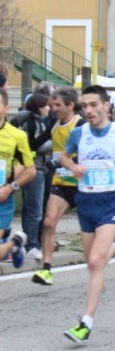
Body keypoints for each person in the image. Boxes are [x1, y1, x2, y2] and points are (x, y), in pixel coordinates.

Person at [60, 85, 115, 343]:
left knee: (95, 262)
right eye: (84, 106)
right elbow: (64, 157)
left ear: (106, 106)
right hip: (86, 202)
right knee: (92, 259)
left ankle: (85, 322)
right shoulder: (78, 134)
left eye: (93, 105)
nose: (88, 110)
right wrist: (73, 166)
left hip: (111, 202)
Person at [33, 86, 85, 286]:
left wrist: (64, 161)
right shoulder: (54, 123)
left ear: (70, 105)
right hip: (62, 182)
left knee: (92, 229)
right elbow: (35, 143)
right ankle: (46, 269)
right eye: (51, 105)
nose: (53, 108)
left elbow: (90, 152)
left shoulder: (80, 124)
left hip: (82, 184)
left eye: (57, 105)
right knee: (48, 222)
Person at [11, 93, 51, 259]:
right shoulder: (34, 123)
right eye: (46, 105)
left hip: (39, 167)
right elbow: (33, 145)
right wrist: (52, 141)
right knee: (34, 208)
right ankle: (31, 245)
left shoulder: (37, 121)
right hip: (35, 168)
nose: (49, 108)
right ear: (40, 107)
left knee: (34, 207)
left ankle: (32, 242)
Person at [0, 87, 36, 269]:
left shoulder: (16, 136)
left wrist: (10, 187)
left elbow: (30, 170)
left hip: (3, 198)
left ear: (6, 108)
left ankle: (13, 244)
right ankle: (14, 244)